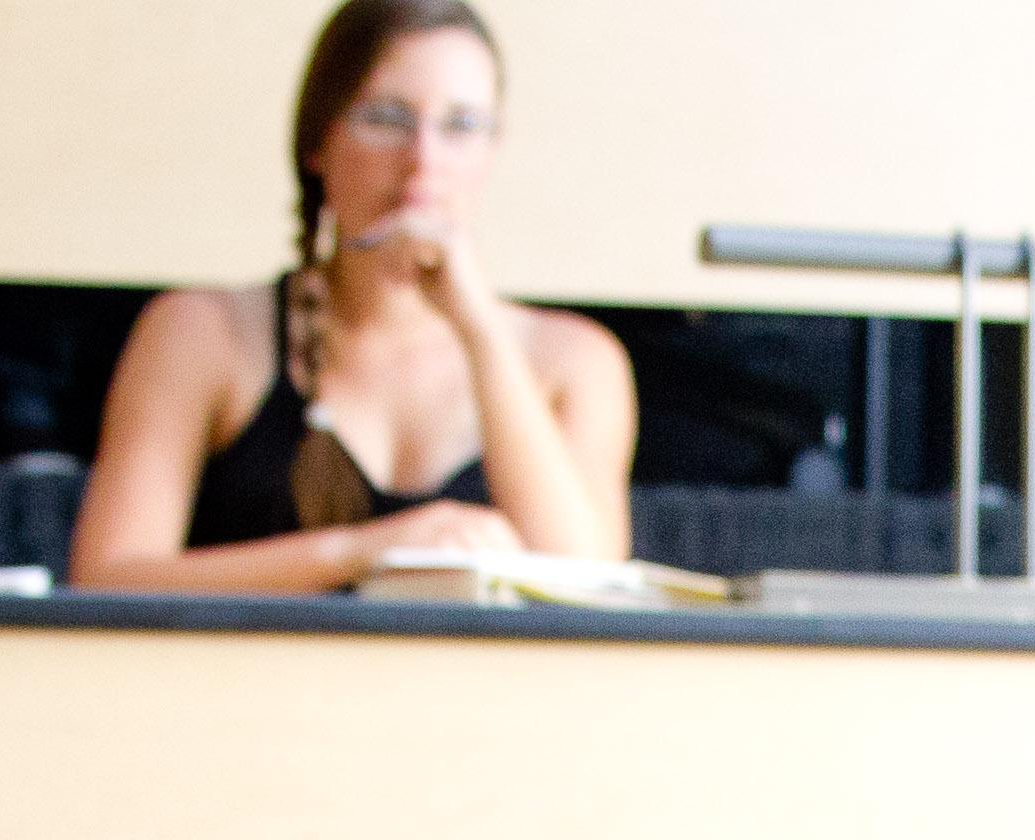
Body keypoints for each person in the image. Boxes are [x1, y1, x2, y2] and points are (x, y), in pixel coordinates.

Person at [69, 0, 633, 594]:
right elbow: (107, 580)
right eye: (388, 118)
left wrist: (478, 327)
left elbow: (591, 590)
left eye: (461, 126)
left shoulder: (576, 361)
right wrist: (364, 551)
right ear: (319, 144)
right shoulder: (200, 333)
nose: (423, 160)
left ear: (493, 152)